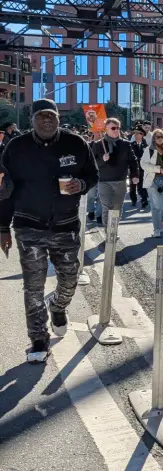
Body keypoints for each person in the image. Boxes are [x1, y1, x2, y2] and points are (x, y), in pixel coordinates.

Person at [0, 99, 98, 363]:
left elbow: (93, 175)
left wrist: (81, 183)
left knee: (70, 279)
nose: (46, 121)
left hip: (65, 225)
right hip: (28, 225)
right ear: (32, 120)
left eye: (51, 116)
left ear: (57, 118)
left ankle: (58, 305)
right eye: (41, 116)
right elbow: (5, 191)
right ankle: (38, 340)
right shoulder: (16, 148)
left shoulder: (76, 143)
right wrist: (2, 227)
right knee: (33, 286)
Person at [90, 117, 138, 230]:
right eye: (113, 128)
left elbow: (133, 161)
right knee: (106, 207)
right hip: (104, 181)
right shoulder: (97, 145)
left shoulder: (125, 144)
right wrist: (102, 159)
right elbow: (92, 163)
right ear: (106, 129)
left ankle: (114, 229)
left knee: (117, 208)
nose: (116, 130)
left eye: (118, 128)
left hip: (120, 181)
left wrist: (134, 175)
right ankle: (109, 232)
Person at [140, 128, 163, 238]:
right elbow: (143, 165)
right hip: (152, 181)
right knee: (156, 206)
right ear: (154, 139)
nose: (159, 139)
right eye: (157, 137)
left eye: (161, 137)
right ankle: (157, 229)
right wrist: (158, 169)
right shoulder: (148, 150)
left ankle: (160, 224)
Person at [129, 128, 149, 210]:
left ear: (142, 135)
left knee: (142, 185)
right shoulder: (131, 145)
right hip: (133, 169)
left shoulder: (146, 146)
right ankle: (133, 199)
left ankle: (144, 200)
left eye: (138, 134)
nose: (136, 135)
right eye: (135, 134)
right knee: (133, 185)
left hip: (143, 168)